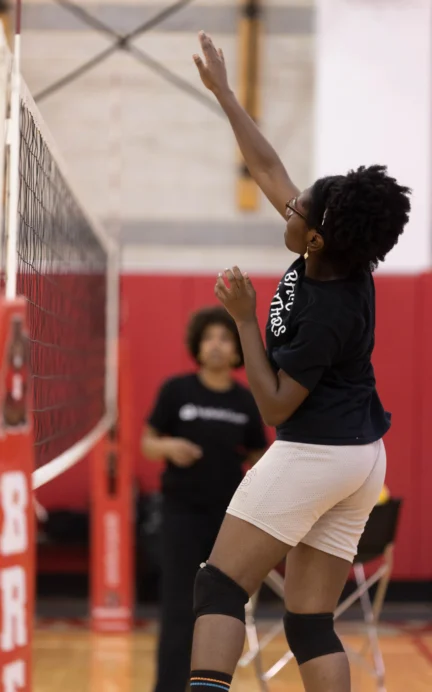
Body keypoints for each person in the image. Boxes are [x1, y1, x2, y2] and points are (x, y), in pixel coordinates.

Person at [188, 32, 411, 692]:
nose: (289, 200)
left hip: (318, 448)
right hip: (360, 456)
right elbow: (268, 168)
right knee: (310, 623)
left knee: (220, 584)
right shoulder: (332, 248)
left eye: (300, 207)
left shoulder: (328, 308)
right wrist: (227, 95)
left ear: (312, 236)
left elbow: (276, 404)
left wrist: (241, 318)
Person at [141, 306, 267, 692]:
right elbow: (147, 443)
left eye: (225, 338)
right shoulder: (176, 391)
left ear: (236, 352)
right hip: (180, 516)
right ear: (197, 345)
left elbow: (260, 455)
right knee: (178, 607)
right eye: (209, 337)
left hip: (228, 520)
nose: (216, 345)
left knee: (217, 607)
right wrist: (169, 445)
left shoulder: (245, 401)